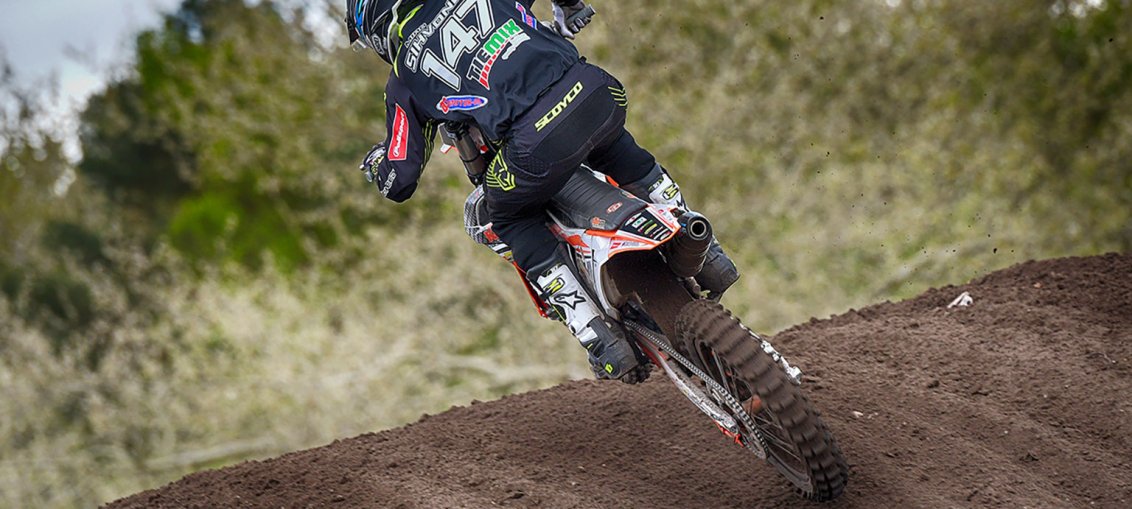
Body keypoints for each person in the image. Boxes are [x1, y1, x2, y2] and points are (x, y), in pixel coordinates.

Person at [347, 0, 737, 383]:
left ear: (375, 23)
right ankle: (709, 254)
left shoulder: (403, 77)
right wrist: (569, 8)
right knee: (620, 152)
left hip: (534, 145)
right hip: (597, 91)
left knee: (507, 218)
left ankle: (597, 335)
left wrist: (377, 166)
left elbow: (400, 179)